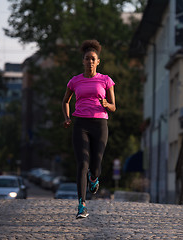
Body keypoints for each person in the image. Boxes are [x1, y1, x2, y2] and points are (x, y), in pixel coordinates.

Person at [62, 39, 116, 219]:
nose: (90, 62)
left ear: (98, 62)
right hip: (81, 124)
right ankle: (82, 204)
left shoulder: (106, 80)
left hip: (100, 124)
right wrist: (67, 117)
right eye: (87, 59)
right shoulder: (75, 81)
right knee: (82, 163)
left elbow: (114, 106)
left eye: (93, 59)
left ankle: (94, 179)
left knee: (96, 164)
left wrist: (107, 103)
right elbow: (65, 101)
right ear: (83, 61)